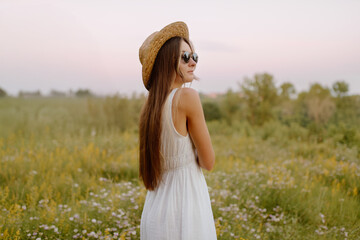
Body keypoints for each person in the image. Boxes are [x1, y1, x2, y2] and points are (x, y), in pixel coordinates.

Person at [138, 21, 217, 240]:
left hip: (155, 209)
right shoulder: (187, 97)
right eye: (185, 57)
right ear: (167, 61)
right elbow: (208, 162)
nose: (193, 62)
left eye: (195, 56)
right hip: (185, 208)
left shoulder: (149, 108)